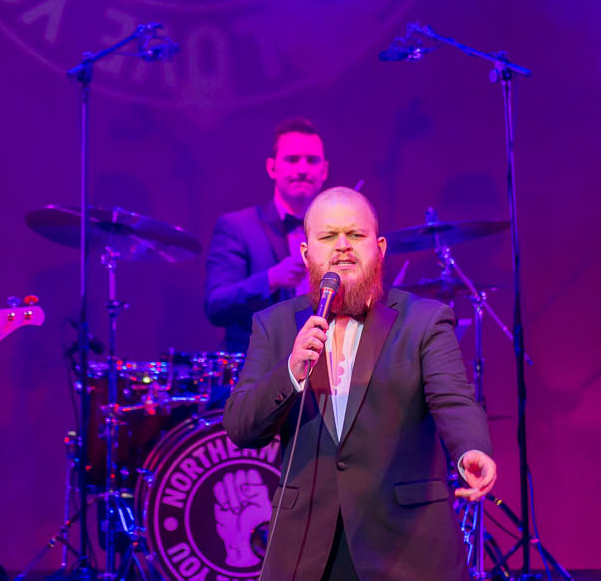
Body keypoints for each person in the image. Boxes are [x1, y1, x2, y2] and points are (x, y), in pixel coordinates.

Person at [223, 187, 497, 580]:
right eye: (328, 236)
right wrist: (291, 371)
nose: (342, 247)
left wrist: (471, 449)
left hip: (406, 545)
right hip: (306, 550)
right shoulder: (274, 325)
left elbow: (454, 400)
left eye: (355, 234)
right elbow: (241, 426)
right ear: (306, 254)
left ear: (380, 248)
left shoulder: (424, 320)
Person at [205, 117, 329, 353]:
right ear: (272, 168)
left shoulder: (337, 233)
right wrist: (271, 279)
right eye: (292, 160)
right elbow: (216, 305)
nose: (303, 170)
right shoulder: (237, 226)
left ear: (324, 171)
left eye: (312, 161)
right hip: (256, 364)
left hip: (324, 364)